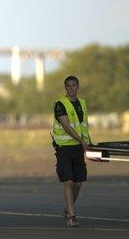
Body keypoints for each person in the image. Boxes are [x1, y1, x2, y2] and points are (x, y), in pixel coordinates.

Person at [52, 75, 92, 227]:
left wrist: (87, 142)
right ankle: (71, 216)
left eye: (74, 85)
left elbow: (83, 125)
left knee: (79, 182)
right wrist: (82, 142)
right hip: (64, 147)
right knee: (68, 180)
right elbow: (66, 126)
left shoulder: (82, 103)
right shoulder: (60, 104)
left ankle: (68, 208)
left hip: (78, 147)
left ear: (78, 86)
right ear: (65, 87)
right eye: (68, 85)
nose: (71, 88)